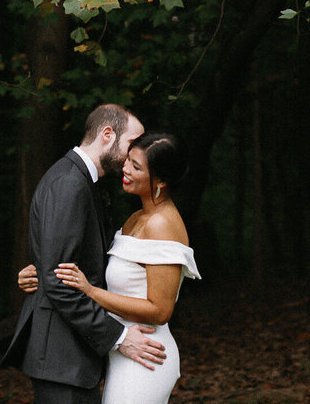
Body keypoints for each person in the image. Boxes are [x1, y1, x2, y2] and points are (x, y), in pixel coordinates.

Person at [1, 104, 166, 404]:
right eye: (132, 144)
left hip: (71, 358)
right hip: (62, 360)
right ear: (107, 135)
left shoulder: (83, 181)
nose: (135, 155)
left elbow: (65, 266)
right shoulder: (69, 183)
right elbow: (59, 283)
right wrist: (118, 337)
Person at [21, 131, 200, 404]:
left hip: (147, 354)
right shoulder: (138, 217)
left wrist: (91, 292)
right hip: (122, 353)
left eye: (137, 167)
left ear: (161, 180)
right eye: (128, 160)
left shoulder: (162, 225)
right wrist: (40, 271)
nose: (125, 169)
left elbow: (161, 310)